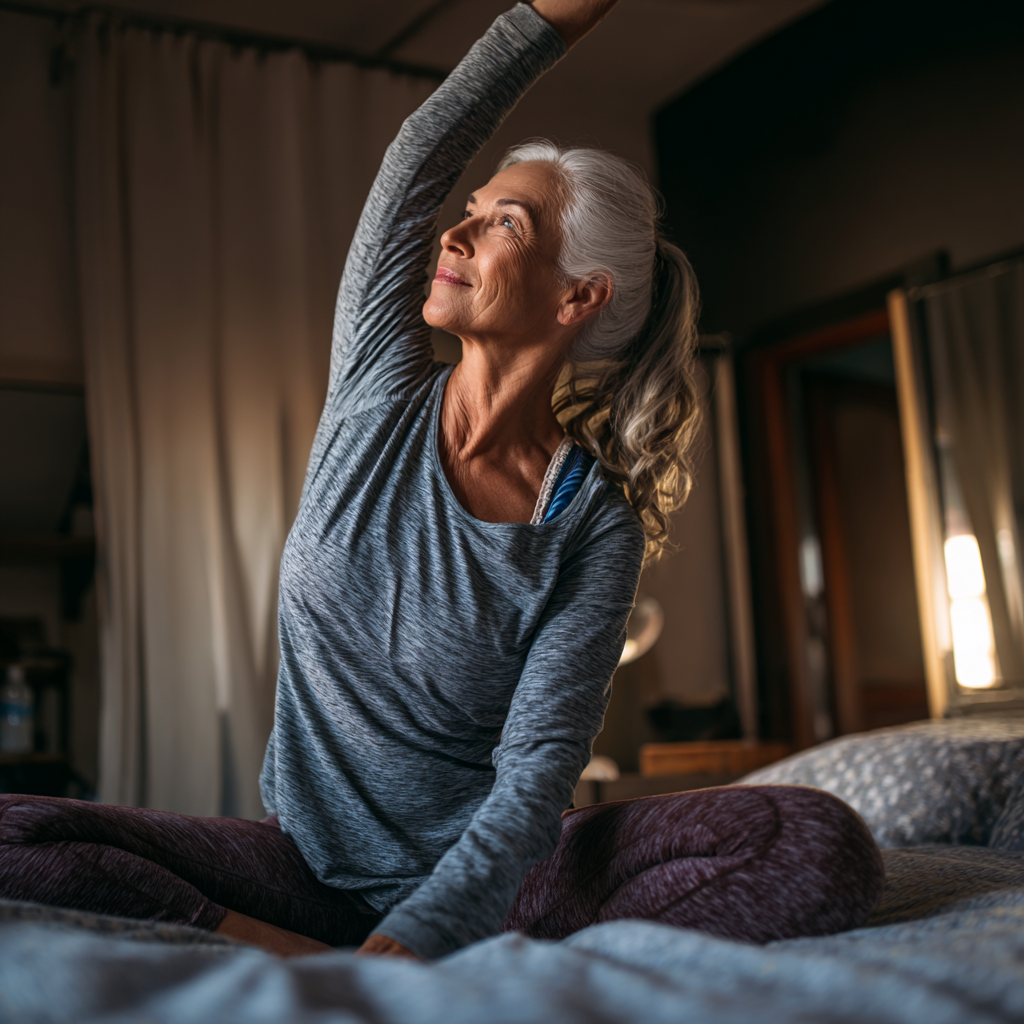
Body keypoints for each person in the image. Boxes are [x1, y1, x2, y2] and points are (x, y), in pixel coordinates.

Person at [0, 0, 884, 961]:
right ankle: (319, 967)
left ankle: (427, 959)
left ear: (580, 296)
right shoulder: (377, 384)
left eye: (502, 222)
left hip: (493, 883)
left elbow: (537, 770)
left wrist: (426, 928)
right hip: (304, 872)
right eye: (468, 211)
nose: (454, 234)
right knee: (15, 832)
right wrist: (547, 19)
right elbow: (414, 163)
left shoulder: (594, 524)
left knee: (808, 841)